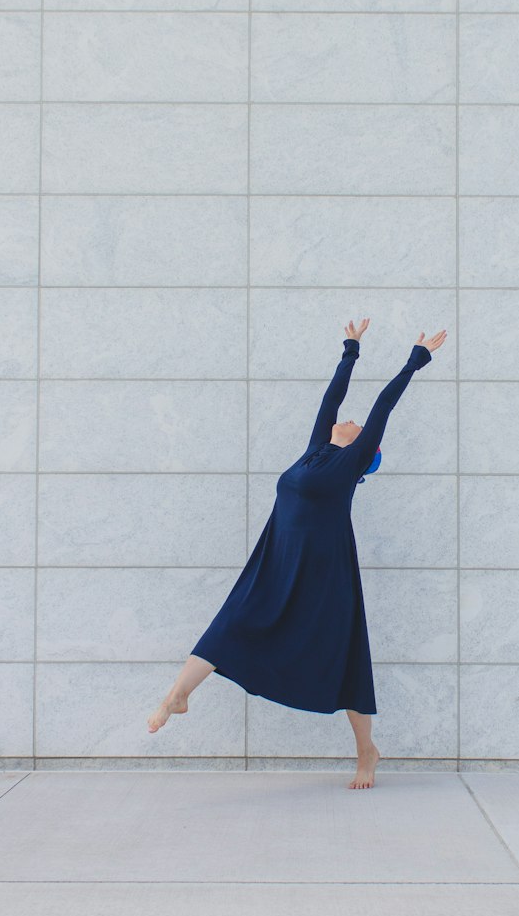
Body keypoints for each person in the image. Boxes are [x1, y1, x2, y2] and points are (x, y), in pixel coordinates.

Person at [147, 320, 448, 789]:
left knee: (347, 658)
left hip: (324, 573)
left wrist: (416, 357)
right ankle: (178, 695)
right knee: (230, 622)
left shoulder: (349, 462)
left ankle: (366, 751)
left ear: (364, 446)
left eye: (354, 424)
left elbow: (384, 405)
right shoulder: (314, 450)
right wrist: (351, 351)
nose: (346, 419)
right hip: (277, 561)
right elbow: (331, 401)